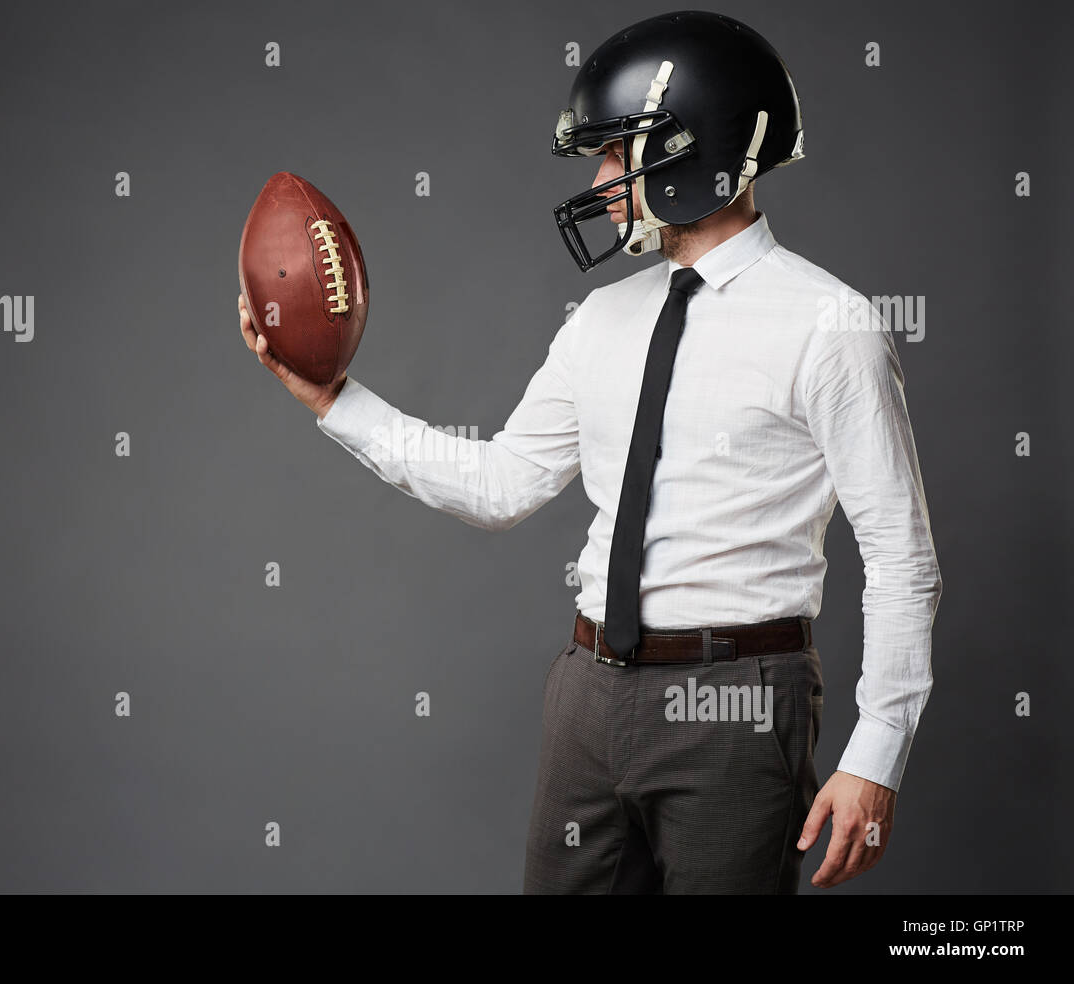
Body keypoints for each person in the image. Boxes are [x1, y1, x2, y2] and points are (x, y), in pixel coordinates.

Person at [237, 10, 942, 894]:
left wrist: (876, 753)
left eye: (617, 153)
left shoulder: (830, 326)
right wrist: (335, 400)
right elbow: (501, 484)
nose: (603, 179)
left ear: (693, 151)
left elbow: (902, 559)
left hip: (737, 702)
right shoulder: (603, 319)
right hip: (588, 694)